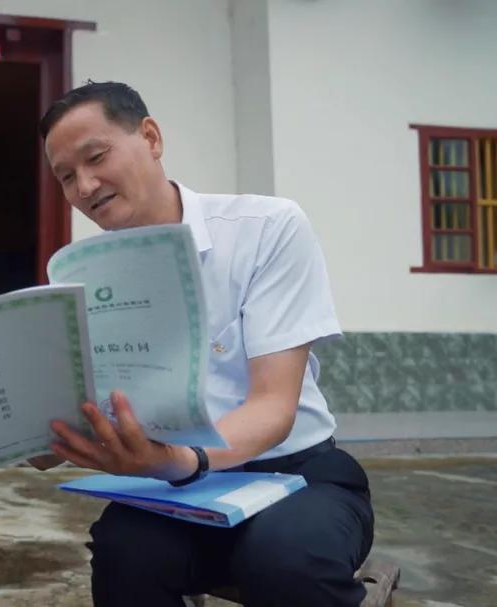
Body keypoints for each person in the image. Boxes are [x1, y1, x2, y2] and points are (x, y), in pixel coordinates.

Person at [33, 81, 374, 607]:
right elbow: (63, 426)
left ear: (151, 137)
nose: (85, 185)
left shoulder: (265, 229)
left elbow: (273, 406)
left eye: (96, 157)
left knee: (284, 558)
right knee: (125, 551)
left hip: (297, 475)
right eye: (66, 176)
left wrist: (179, 459)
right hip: (175, 489)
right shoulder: (83, 279)